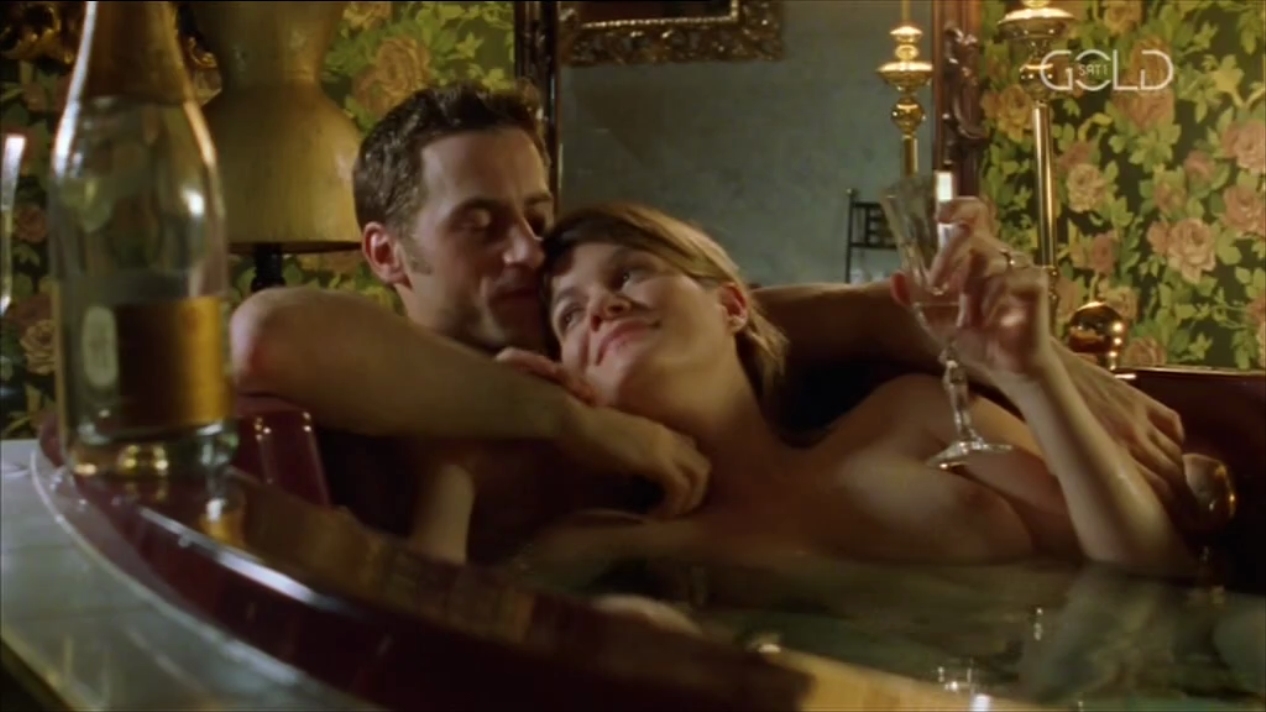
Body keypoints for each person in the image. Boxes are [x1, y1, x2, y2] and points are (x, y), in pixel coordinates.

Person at [228, 81, 1190, 562]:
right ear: (386, 255)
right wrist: (558, 424)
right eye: (480, 225)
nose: (527, 253)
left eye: (536, 215)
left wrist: (1040, 367)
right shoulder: (575, 472)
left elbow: (815, 316)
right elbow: (268, 336)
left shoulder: (662, 352)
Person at [515, 202, 1203, 576]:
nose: (602, 307)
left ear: (731, 306)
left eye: (629, 274)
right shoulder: (620, 545)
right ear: (575, 379)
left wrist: (1036, 374)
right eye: (569, 316)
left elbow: (1150, 574)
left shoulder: (911, 419)